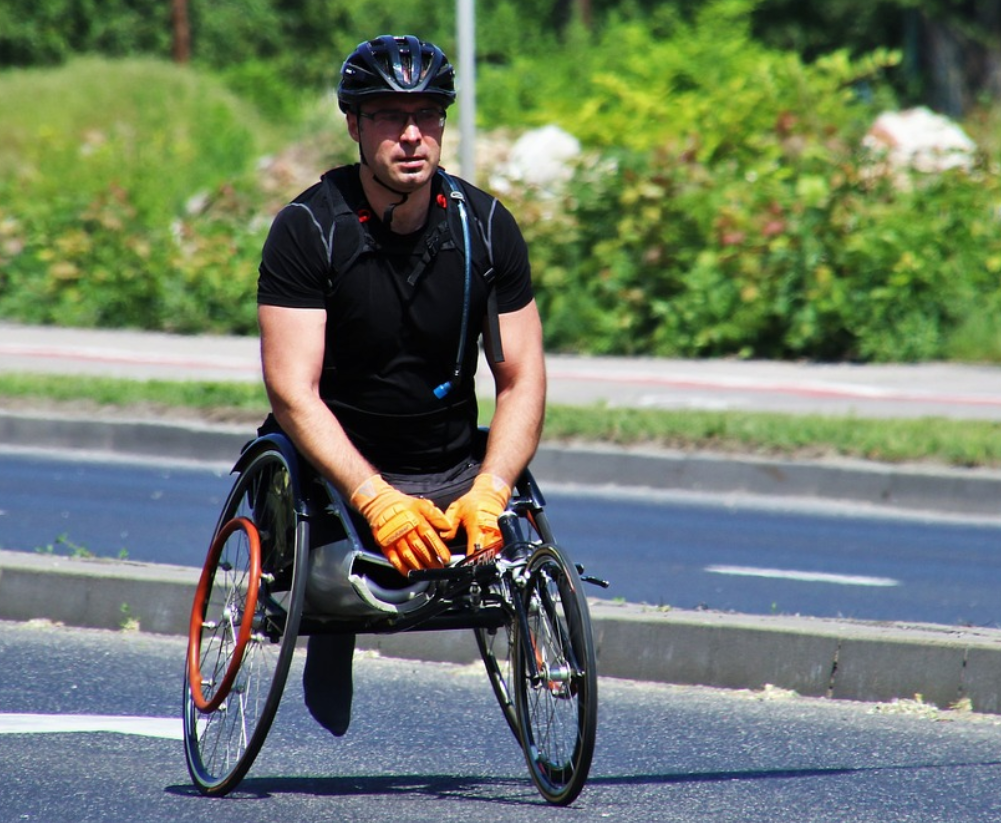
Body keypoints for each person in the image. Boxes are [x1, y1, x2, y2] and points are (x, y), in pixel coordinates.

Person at [255, 35, 546, 737]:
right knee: (323, 556)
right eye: (388, 115)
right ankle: (330, 631)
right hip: (339, 466)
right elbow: (292, 388)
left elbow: (521, 375)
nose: (411, 134)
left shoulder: (485, 226)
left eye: (427, 114)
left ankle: (544, 656)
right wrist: (374, 498)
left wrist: (493, 485)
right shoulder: (307, 228)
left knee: (520, 529)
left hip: (448, 455)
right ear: (352, 124)